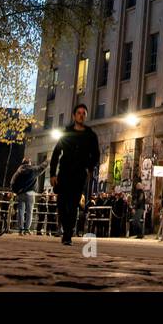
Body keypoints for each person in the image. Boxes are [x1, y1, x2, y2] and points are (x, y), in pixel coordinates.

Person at [49, 103, 100, 245]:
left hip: (79, 174)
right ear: (74, 115)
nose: (81, 115)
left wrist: (89, 167)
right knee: (61, 204)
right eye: (79, 113)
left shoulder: (90, 135)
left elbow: (95, 155)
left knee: (73, 204)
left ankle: (67, 234)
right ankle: (66, 228)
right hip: (64, 173)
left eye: (84, 113)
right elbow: (56, 154)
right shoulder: (66, 133)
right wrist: (52, 174)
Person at [9, 157, 41, 234]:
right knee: (29, 212)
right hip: (30, 193)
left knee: (20, 211)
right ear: (29, 163)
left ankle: (21, 229)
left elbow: (13, 182)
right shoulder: (33, 170)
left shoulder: (18, 171)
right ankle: (27, 229)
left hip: (20, 193)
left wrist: (15, 191)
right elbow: (36, 182)